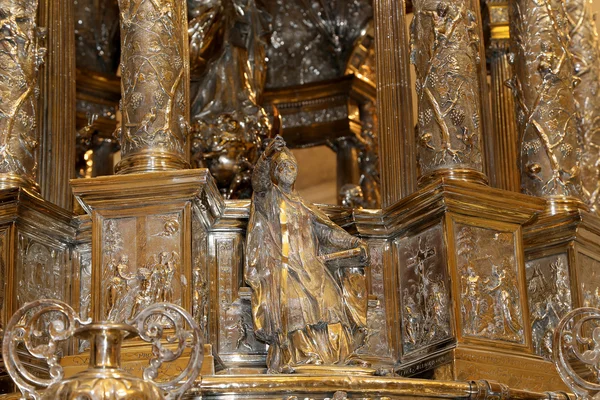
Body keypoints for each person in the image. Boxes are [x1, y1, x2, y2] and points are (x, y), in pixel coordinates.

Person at [245, 136, 370, 373]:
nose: (288, 171)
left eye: (292, 167)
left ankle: (340, 355)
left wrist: (354, 241)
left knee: (331, 303)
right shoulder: (270, 199)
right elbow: (258, 183)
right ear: (276, 172)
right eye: (282, 167)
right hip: (286, 267)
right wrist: (266, 156)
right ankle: (302, 356)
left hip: (312, 265)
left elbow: (327, 234)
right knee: (297, 306)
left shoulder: (304, 205)